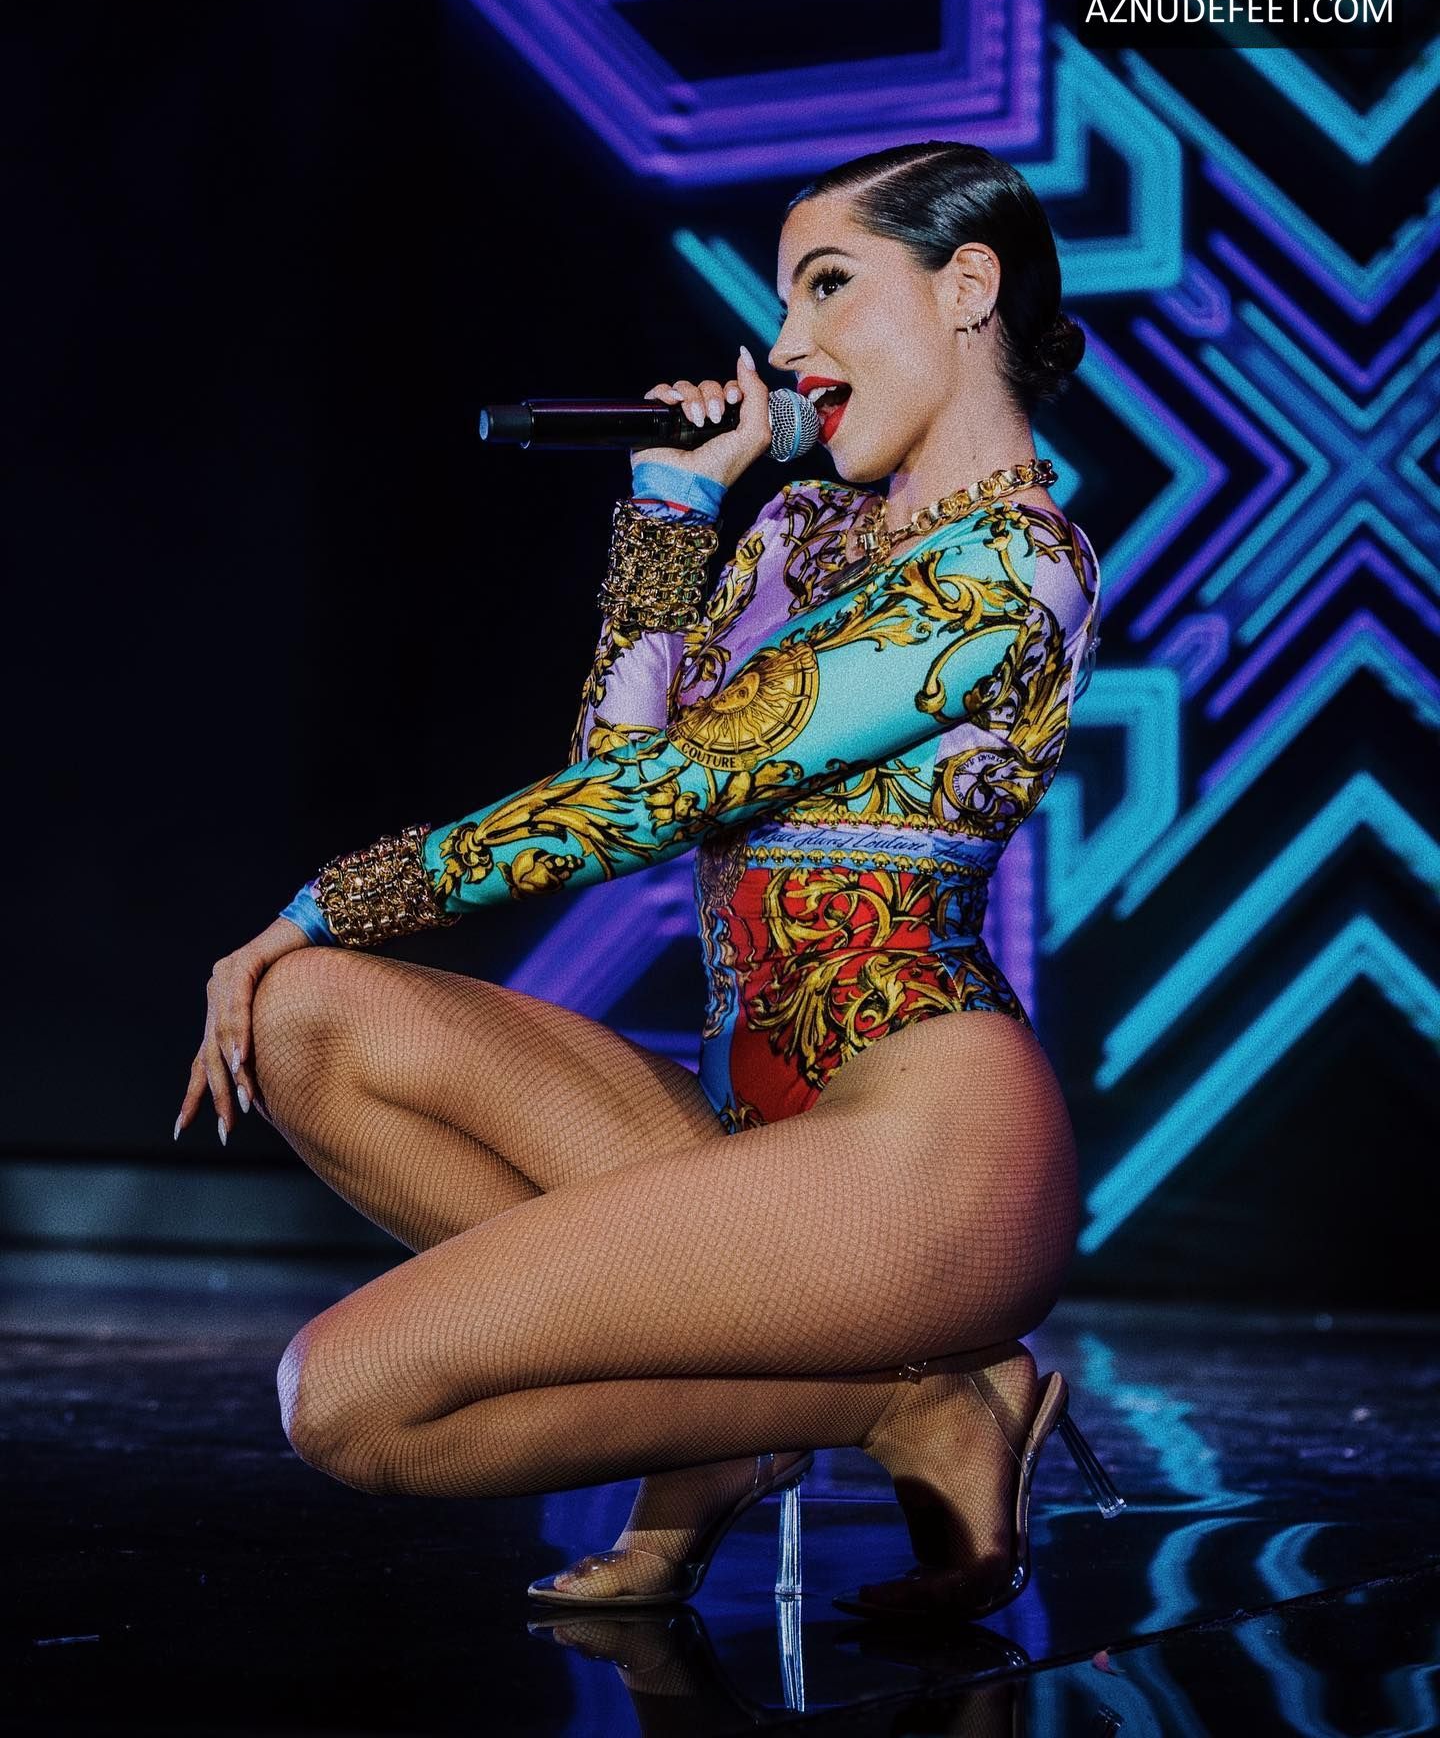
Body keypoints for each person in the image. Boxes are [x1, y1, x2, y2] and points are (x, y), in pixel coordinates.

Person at [174, 140, 1121, 1620]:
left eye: (827, 287)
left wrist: (328, 897)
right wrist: (672, 509)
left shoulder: (1015, 564)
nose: (786, 346)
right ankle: (787, 1418)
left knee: (344, 1400)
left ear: (967, 287)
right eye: (783, 301)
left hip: (928, 1152)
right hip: (746, 1132)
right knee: (305, 1021)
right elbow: (612, 766)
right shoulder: (797, 529)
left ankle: (901, 1401)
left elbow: (648, 801)